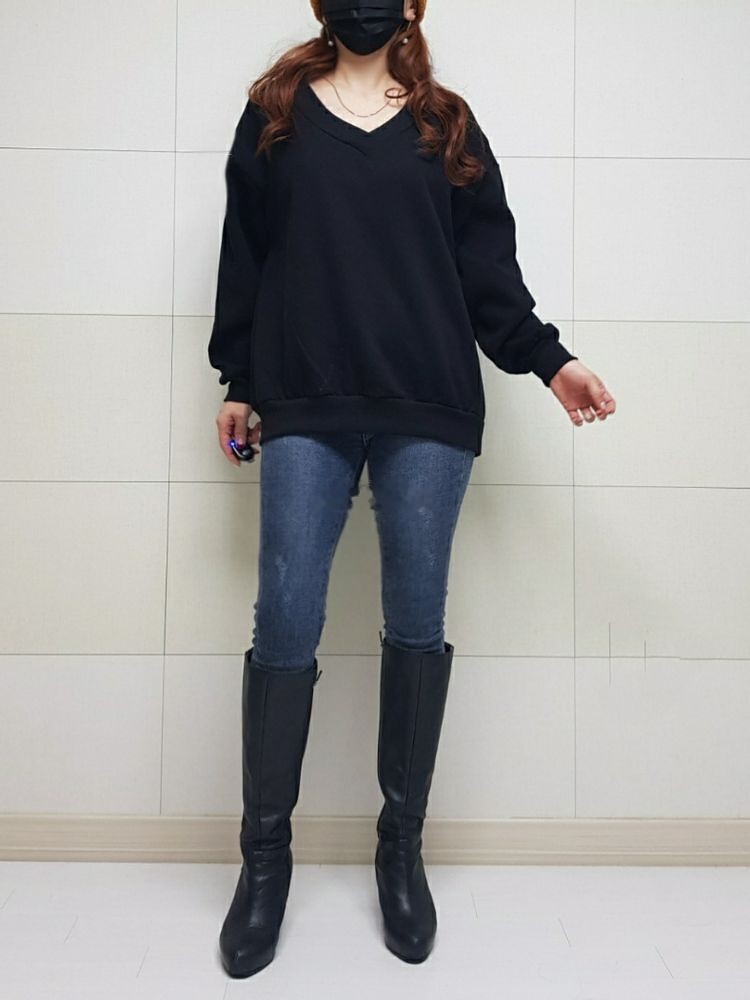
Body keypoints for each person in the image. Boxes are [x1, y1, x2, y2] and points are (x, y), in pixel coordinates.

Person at [207, 0, 616, 980]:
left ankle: (401, 851)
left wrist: (550, 361)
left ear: (413, 5)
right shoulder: (275, 115)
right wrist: (240, 381)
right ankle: (264, 863)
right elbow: (245, 257)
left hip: (428, 405)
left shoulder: (447, 126)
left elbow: (488, 277)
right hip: (303, 398)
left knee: (418, 624)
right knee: (286, 623)